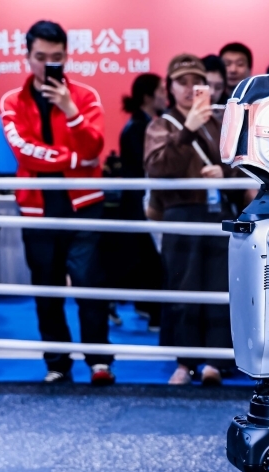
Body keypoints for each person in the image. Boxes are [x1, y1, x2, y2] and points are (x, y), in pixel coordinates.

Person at [0, 20, 114, 385]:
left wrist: (70, 111)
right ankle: (57, 362)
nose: (48, 64)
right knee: (46, 288)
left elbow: (95, 146)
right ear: (27, 56)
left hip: (84, 204)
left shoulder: (85, 96)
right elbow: (24, 151)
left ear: (66, 56)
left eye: (56, 57)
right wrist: (75, 160)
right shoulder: (12, 100)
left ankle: (99, 361)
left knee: (89, 284)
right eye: (40, 57)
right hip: (37, 207)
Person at [144, 54, 236, 386]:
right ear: (169, 87)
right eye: (181, 82)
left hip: (218, 212)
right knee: (182, 288)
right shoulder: (162, 124)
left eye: (196, 82)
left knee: (219, 287)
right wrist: (188, 130)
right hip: (180, 213)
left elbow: (240, 163)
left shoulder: (219, 122)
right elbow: (156, 166)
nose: (188, 89)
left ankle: (214, 362)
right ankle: (184, 362)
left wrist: (224, 174)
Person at [114, 73, 167, 331]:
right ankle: (152, 312)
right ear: (148, 96)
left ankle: (146, 307)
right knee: (147, 259)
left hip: (142, 201)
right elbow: (146, 168)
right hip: (140, 203)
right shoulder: (138, 128)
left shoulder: (144, 124)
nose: (166, 96)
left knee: (144, 259)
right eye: (161, 90)